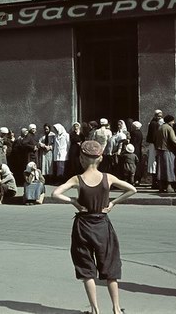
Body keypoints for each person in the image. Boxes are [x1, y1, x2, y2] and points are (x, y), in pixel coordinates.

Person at [52, 140, 137, 314]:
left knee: (86, 268)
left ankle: (95, 309)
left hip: (83, 226)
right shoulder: (108, 178)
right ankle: (116, 309)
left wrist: (73, 201)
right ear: (100, 158)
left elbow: (55, 194)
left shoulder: (77, 179)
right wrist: (113, 203)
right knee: (110, 268)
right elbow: (132, 189)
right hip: (102, 225)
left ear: (82, 158)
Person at [155, 115, 176, 193]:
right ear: (170, 121)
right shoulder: (169, 128)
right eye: (173, 121)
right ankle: (169, 186)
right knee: (169, 169)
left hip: (159, 150)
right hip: (167, 150)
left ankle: (160, 187)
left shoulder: (160, 127)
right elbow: (174, 140)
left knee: (160, 169)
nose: (173, 123)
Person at [146, 110, 163, 189]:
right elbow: (154, 136)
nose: (159, 117)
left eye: (160, 116)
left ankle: (155, 181)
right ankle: (155, 181)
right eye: (158, 116)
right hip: (154, 145)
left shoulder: (153, 123)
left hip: (153, 145)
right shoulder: (154, 124)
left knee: (154, 162)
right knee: (154, 162)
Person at [129, 121, 144, 186]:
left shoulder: (133, 133)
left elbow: (133, 141)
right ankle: (138, 180)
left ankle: (134, 179)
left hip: (134, 149)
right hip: (139, 149)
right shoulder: (140, 133)